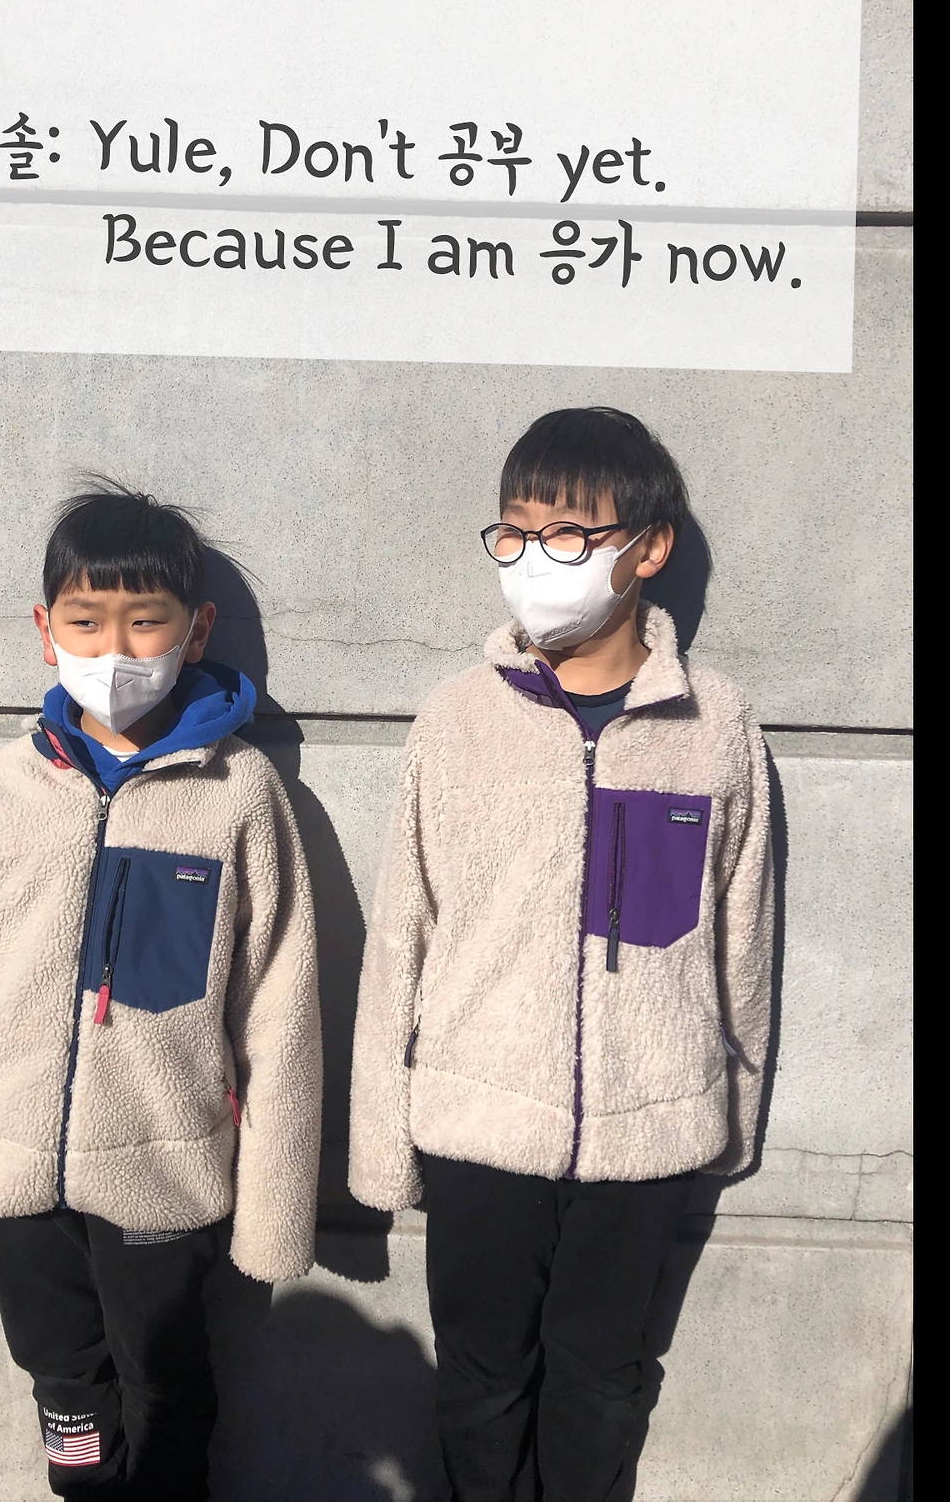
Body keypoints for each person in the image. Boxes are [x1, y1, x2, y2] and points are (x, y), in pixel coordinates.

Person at [348, 406, 772, 1502]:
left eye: (570, 534)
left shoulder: (714, 725)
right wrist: (382, 1137)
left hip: (648, 1127)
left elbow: (742, 938)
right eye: (517, 532)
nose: (537, 559)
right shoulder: (456, 719)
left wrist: (726, 1113)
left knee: (603, 1380)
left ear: (649, 546)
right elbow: (401, 935)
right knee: (480, 1380)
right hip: (478, 1122)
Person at [0, 482, 322, 1501]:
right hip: (8, 1157)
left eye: (143, 621)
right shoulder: (6, 788)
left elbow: (281, 1007)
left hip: (159, 1162)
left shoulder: (237, 791)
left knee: (165, 1376)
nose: (113, 648)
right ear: (46, 630)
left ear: (194, 629)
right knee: (61, 1377)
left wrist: (271, 1209)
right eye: (86, 621)